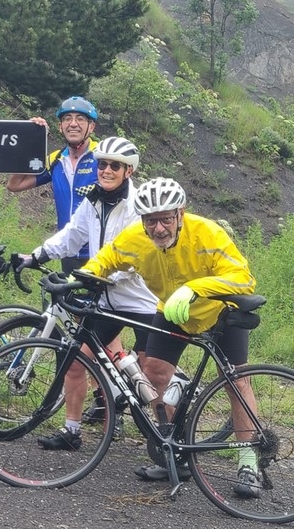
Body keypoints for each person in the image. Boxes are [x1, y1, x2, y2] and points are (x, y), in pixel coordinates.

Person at [81, 177, 261, 497]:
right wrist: (80, 277)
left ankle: (249, 465)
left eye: (165, 219)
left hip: (219, 309)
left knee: (236, 380)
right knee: (153, 374)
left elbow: (242, 278)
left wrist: (195, 288)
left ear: (180, 214)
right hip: (173, 311)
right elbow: (107, 259)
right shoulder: (135, 238)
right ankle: (173, 451)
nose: (159, 228)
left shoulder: (208, 233)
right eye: (151, 221)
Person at [16, 137, 157, 450]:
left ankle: (170, 439)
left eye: (115, 166)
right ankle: (71, 431)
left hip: (142, 298)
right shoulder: (93, 200)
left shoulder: (138, 207)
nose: (106, 170)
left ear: (129, 171)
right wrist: (36, 256)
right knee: (76, 359)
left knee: (153, 371)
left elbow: (137, 257)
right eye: (102, 164)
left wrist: (96, 277)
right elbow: (72, 234)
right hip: (106, 297)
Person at [7, 96, 100, 275]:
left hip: (99, 250)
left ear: (91, 126)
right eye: (67, 119)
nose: (73, 124)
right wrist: (33, 140)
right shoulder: (56, 159)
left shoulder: (102, 157)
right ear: (60, 126)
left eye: (80, 119)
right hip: (68, 250)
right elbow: (15, 184)